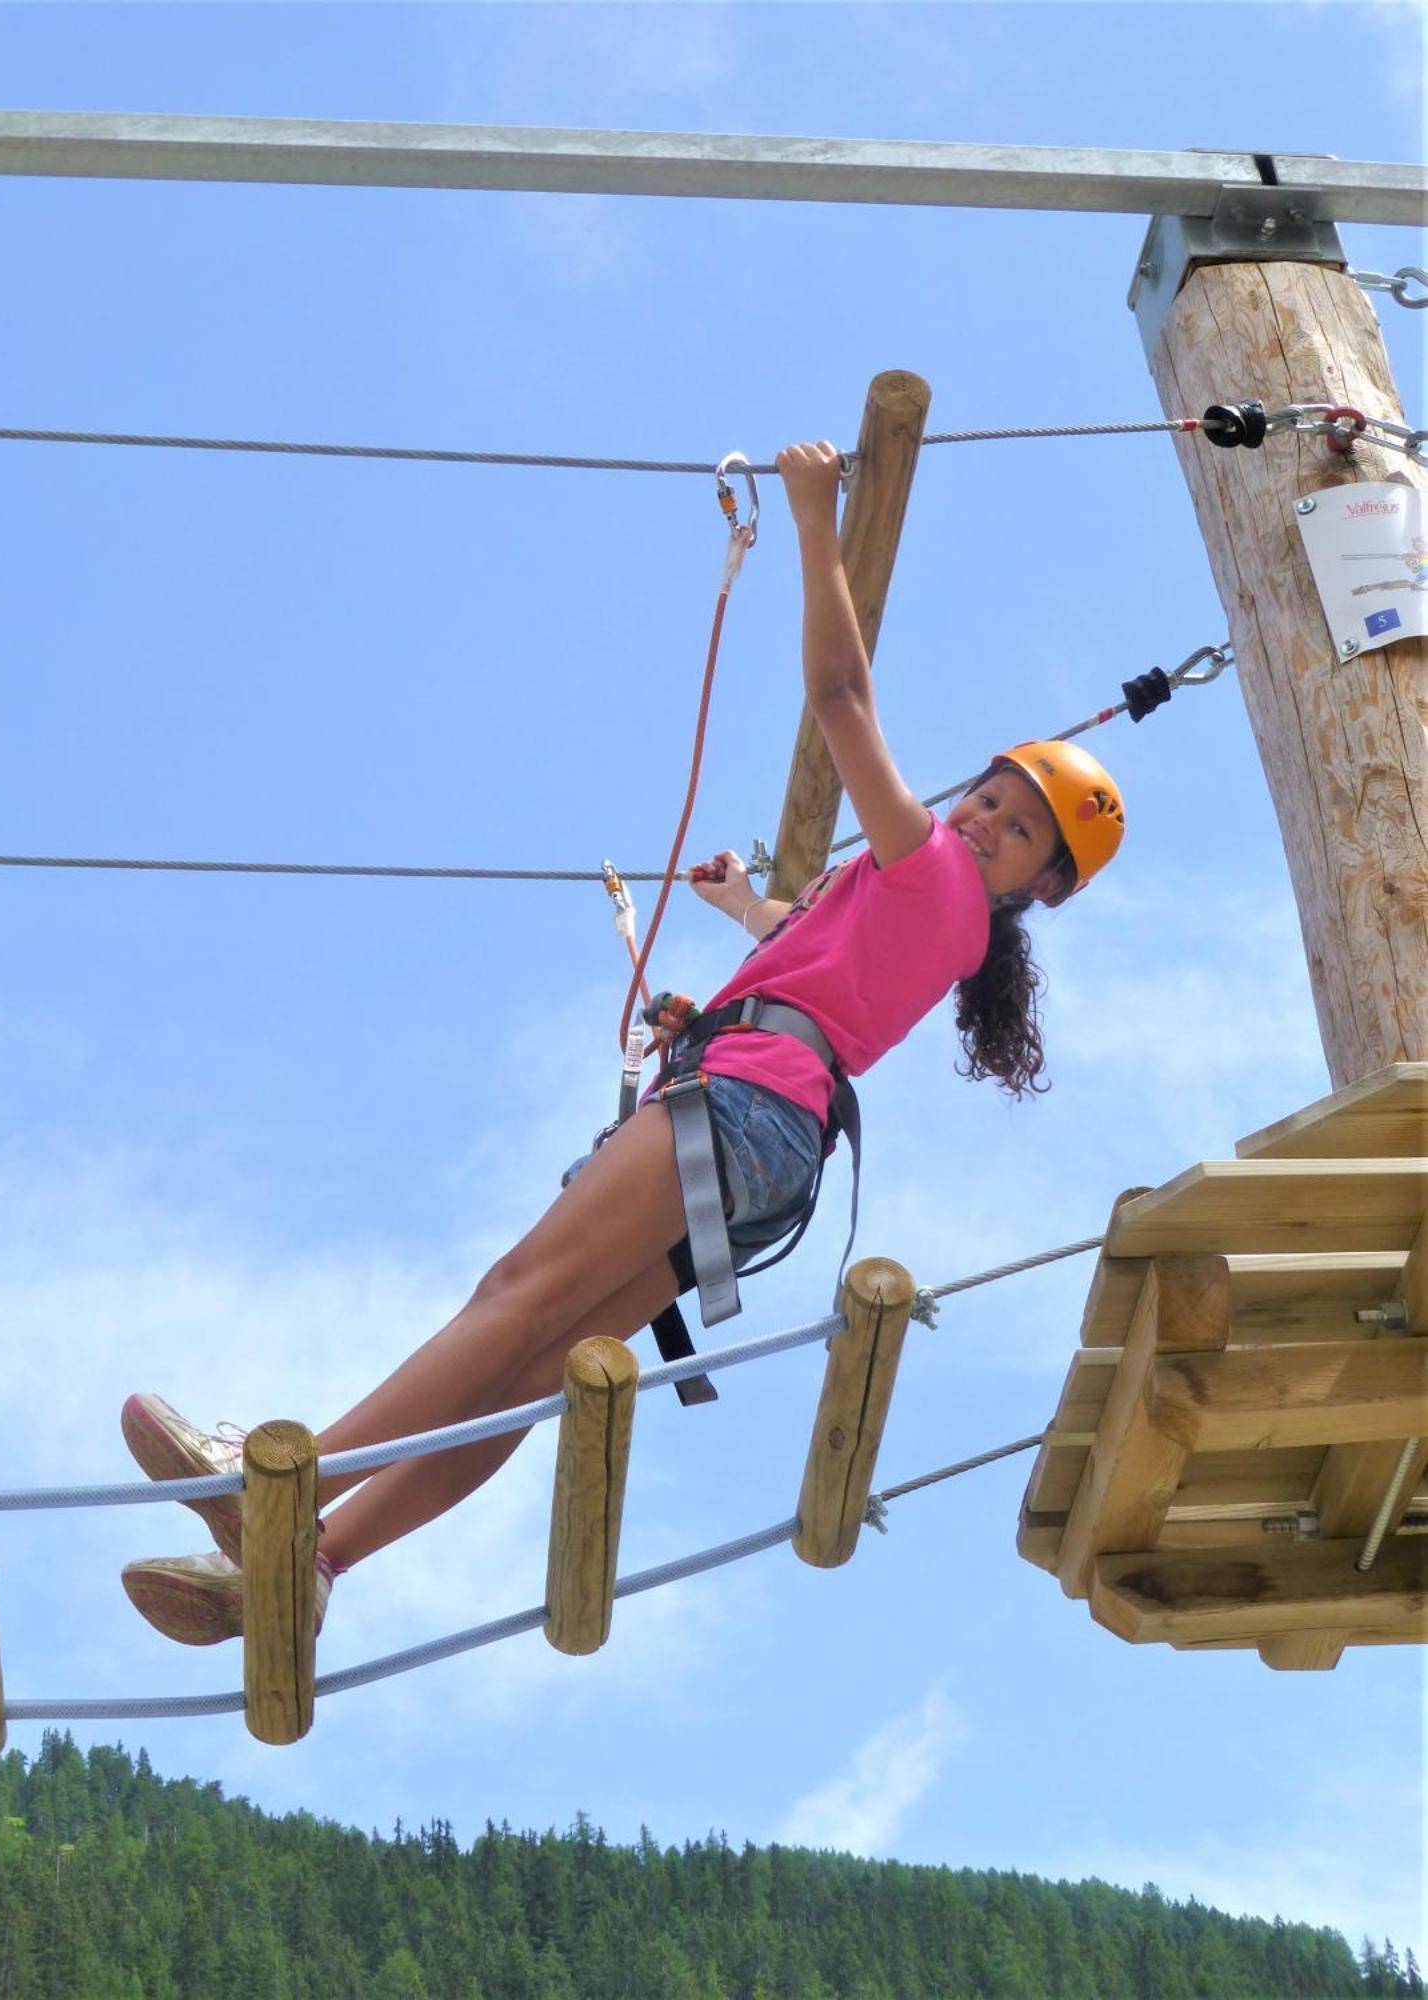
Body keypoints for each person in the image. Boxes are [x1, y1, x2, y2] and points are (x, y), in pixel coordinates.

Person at [119, 441, 1125, 1644]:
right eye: (994, 795)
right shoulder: (937, 914)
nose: (988, 819)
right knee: (528, 1365)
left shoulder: (936, 878)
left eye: (1018, 831)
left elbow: (841, 699)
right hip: (771, 1160)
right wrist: (749, 906)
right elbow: (819, 958)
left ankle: (287, 1478)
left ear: (1040, 886)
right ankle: (320, 1558)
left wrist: (816, 517)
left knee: (513, 1294)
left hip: (739, 1107)